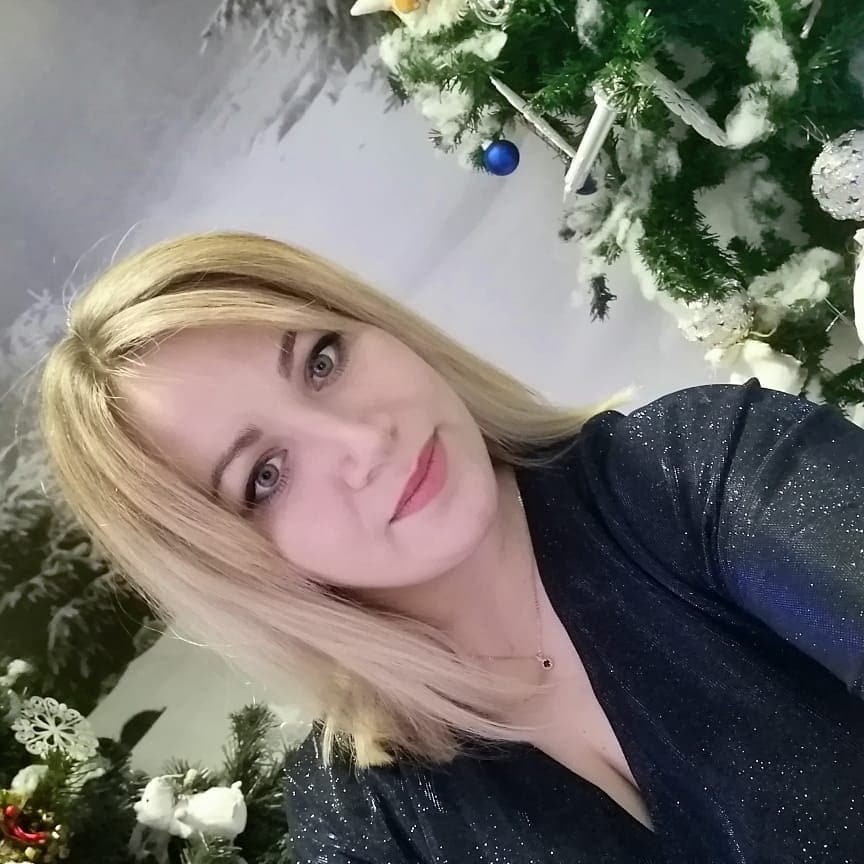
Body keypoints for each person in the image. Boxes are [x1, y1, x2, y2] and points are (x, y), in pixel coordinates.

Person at [39, 231, 864, 863]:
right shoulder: (370, 822)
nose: (363, 442)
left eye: (322, 361)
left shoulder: (696, 470)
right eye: (265, 475)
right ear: (231, 567)